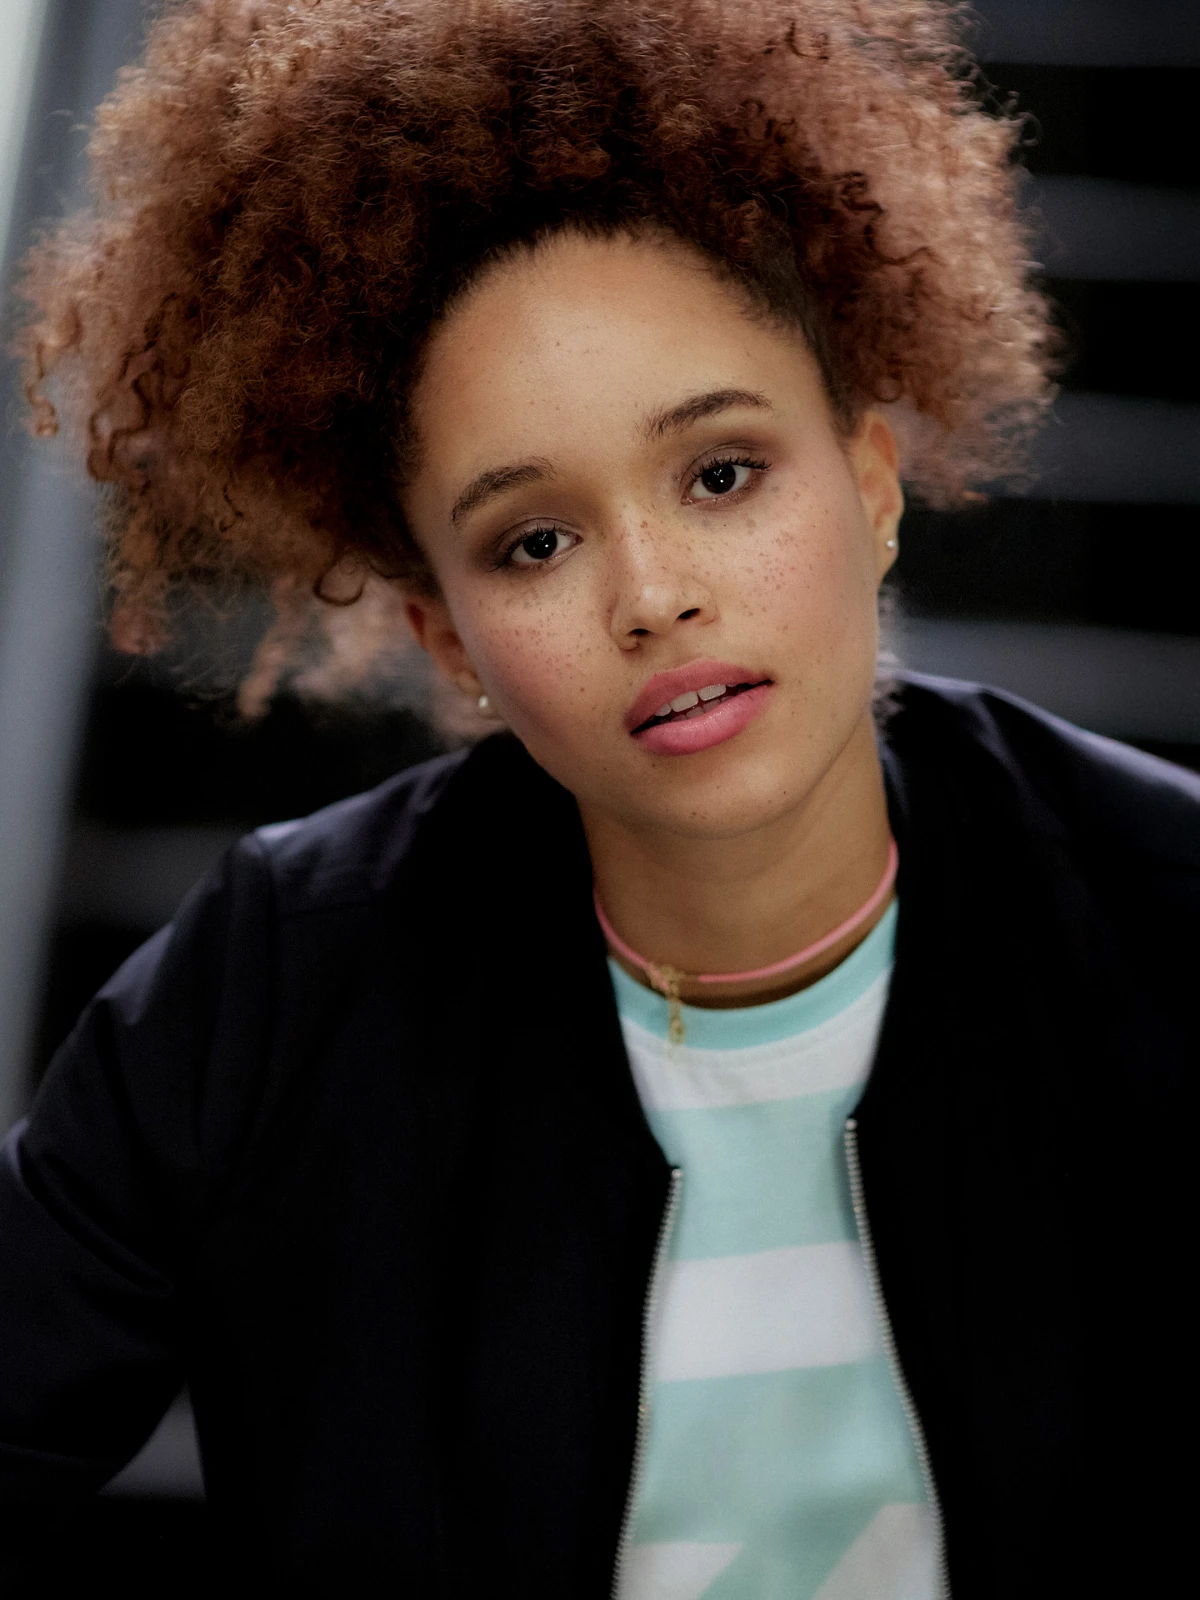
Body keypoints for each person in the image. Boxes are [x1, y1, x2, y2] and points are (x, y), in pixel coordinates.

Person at [2, 1, 1192, 1595]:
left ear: (873, 485)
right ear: (446, 637)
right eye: (535, 542)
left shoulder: (1159, 910)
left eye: (722, 473)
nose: (653, 595)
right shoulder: (278, 990)